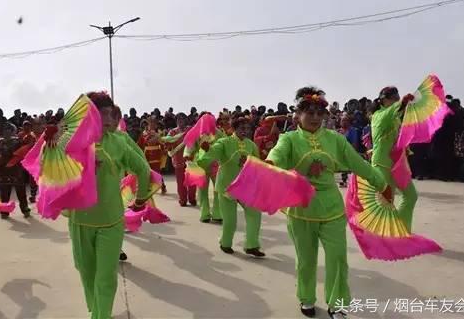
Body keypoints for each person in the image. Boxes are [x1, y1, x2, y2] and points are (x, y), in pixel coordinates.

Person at [266, 87, 387, 319]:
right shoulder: (288, 139)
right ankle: (307, 298)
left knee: (338, 259)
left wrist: (382, 184)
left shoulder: (335, 139)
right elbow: (277, 156)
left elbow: (358, 163)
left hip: (331, 208)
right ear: (297, 115)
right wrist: (271, 163)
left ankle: (337, 304)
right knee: (306, 260)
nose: (314, 117)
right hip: (301, 209)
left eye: (318, 113)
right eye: (308, 112)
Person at [67, 92, 150, 319]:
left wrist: (141, 199)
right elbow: (51, 172)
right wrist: (81, 168)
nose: (109, 118)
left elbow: (143, 168)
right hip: (81, 221)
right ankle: (97, 310)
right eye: (102, 113)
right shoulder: (72, 143)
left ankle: (100, 315)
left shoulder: (119, 142)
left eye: (110, 113)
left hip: (111, 221)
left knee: (105, 277)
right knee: (87, 273)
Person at [198, 113, 264, 257]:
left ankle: (251, 245)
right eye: (241, 127)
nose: (244, 130)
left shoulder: (251, 145)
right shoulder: (225, 142)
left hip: (246, 187)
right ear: (234, 128)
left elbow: (257, 164)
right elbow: (214, 151)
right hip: (227, 187)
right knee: (230, 220)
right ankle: (225, 243)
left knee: (255, 213)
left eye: (247, 128)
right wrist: (207, 149)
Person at [370, 86, 417, 231]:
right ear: (382, 100)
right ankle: (384, 236)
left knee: (411, 196)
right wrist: (402, 103)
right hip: (382, 163)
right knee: (385, 203)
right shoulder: (378, 115)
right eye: (393, 98)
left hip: (397, 163)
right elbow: (390, 113)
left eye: (397, 97)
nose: (395, 100)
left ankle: (401, 230)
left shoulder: (395, 118)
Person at [0, 122, 30, 219]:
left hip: (16, 170)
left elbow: (23, 152)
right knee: (4, 193)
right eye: (5, 130)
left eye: (9, 130)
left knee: (20, 192)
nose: (7, 132)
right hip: (3, 170)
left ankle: (25, 209)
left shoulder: (18, 141)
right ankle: (4, 212)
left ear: (13, 131)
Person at [163, 113, 195, 206]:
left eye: (182, 119)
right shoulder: (172, 132)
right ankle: (183, 199)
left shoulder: (191, 129)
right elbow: (167, 143)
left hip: (191, 158)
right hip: (178, 159)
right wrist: (168, 146)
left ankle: (192, 198)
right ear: (176, 121)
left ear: (185, 120)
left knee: (192, 180)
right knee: (180, 182)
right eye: (178, 119)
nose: (180, 121)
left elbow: (197, 139)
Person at [137, 115, 167, 194]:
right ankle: (149, 187)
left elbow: (163, 143)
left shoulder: (159, 133)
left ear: (156, 124)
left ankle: (162, 186)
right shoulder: (144, 133)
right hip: (146, 154)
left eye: (154, 123)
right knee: (148, 171)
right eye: (150, 123)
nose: (152, 124)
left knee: (157, 171)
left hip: (156, 153)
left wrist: (164, 150)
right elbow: (140, 144)